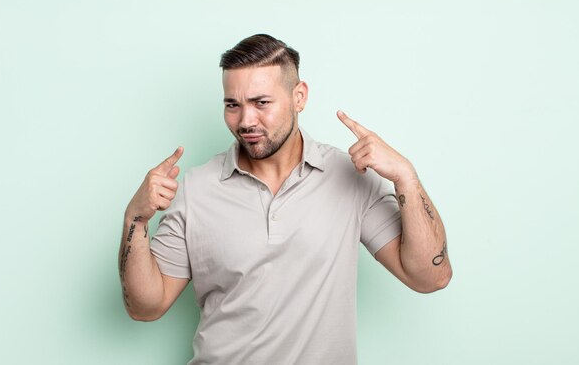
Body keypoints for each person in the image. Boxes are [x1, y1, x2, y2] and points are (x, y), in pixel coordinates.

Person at [118, 34, 452, 364]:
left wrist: (406, 178)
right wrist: (135, 219)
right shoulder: (195, 188)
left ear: (299, 96)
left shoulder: (350, 176)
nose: (246, 121)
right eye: (233, 105)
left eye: (261, 103)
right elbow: (146, 307)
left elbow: (431, 277)